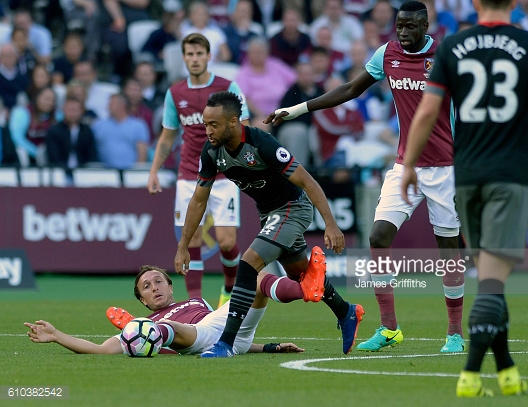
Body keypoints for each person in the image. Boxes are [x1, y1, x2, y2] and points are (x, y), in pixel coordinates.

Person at [400, 0, 528, 397]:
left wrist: (410, 163)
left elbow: (428, 111)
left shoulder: (452, 46)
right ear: (515, 4)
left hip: (465, 176)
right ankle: (469, 375)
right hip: (509, 176)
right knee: (492, 282)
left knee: (490, 274)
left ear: (475, 4)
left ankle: (506, 371)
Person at [266, 1, 466, 354]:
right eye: (398, 26)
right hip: (405, 166)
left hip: (446, 168)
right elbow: (349, 90)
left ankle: (454, 333)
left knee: (448, 249)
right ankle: (389, 328)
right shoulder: (387, 54)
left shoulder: (446, 55)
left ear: (425, 25)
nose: (402, 32)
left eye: (410, 26)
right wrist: (296, 109)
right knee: (378, 235)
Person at [175, 91, 364, 358]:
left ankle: (226, 343)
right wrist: (183, 245)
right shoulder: (212, 152)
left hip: (292, 209)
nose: (207, 130)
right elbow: (197, 201)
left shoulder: (261, 143)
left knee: (248, 264)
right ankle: (346, 311)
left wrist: (331, 225)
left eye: (213, 124)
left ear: (233, 122)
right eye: (205, 124)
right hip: (269, 215)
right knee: (302, 277)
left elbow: (307, 181)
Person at [147, 33, 245, 308]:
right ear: (184, 58)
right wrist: (154, 171)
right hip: (189, 175)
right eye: (189, 54)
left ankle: (228, 289)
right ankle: (195, 303)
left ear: (208, 56)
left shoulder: (228, 88)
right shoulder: (175, 93)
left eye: (199, 53)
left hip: (225, 175)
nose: (194, 59)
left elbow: (243, 127)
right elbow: (168, 136)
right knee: (192, 239)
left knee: (226, 242)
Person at [24, 265, 304, 356]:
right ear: (143, 301)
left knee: (256, 276)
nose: (154, 287)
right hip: (191, 336)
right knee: (150, 329)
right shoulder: (147, 321)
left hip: (229, 337)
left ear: (171, 287)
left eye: (159, 281)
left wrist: (270, 348)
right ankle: (153, 339)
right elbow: (100, 350)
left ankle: (306, 290)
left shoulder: (198, 303)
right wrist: (57, 335)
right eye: (147, 286)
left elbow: (224, 335)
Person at [91, 93, 150, 169]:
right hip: (104, 173)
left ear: (122, 105)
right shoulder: (98, 125)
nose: (108, 106)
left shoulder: (138, 126)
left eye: (111, 104)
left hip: (130, 172)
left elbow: (142, 152)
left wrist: (137, 173)